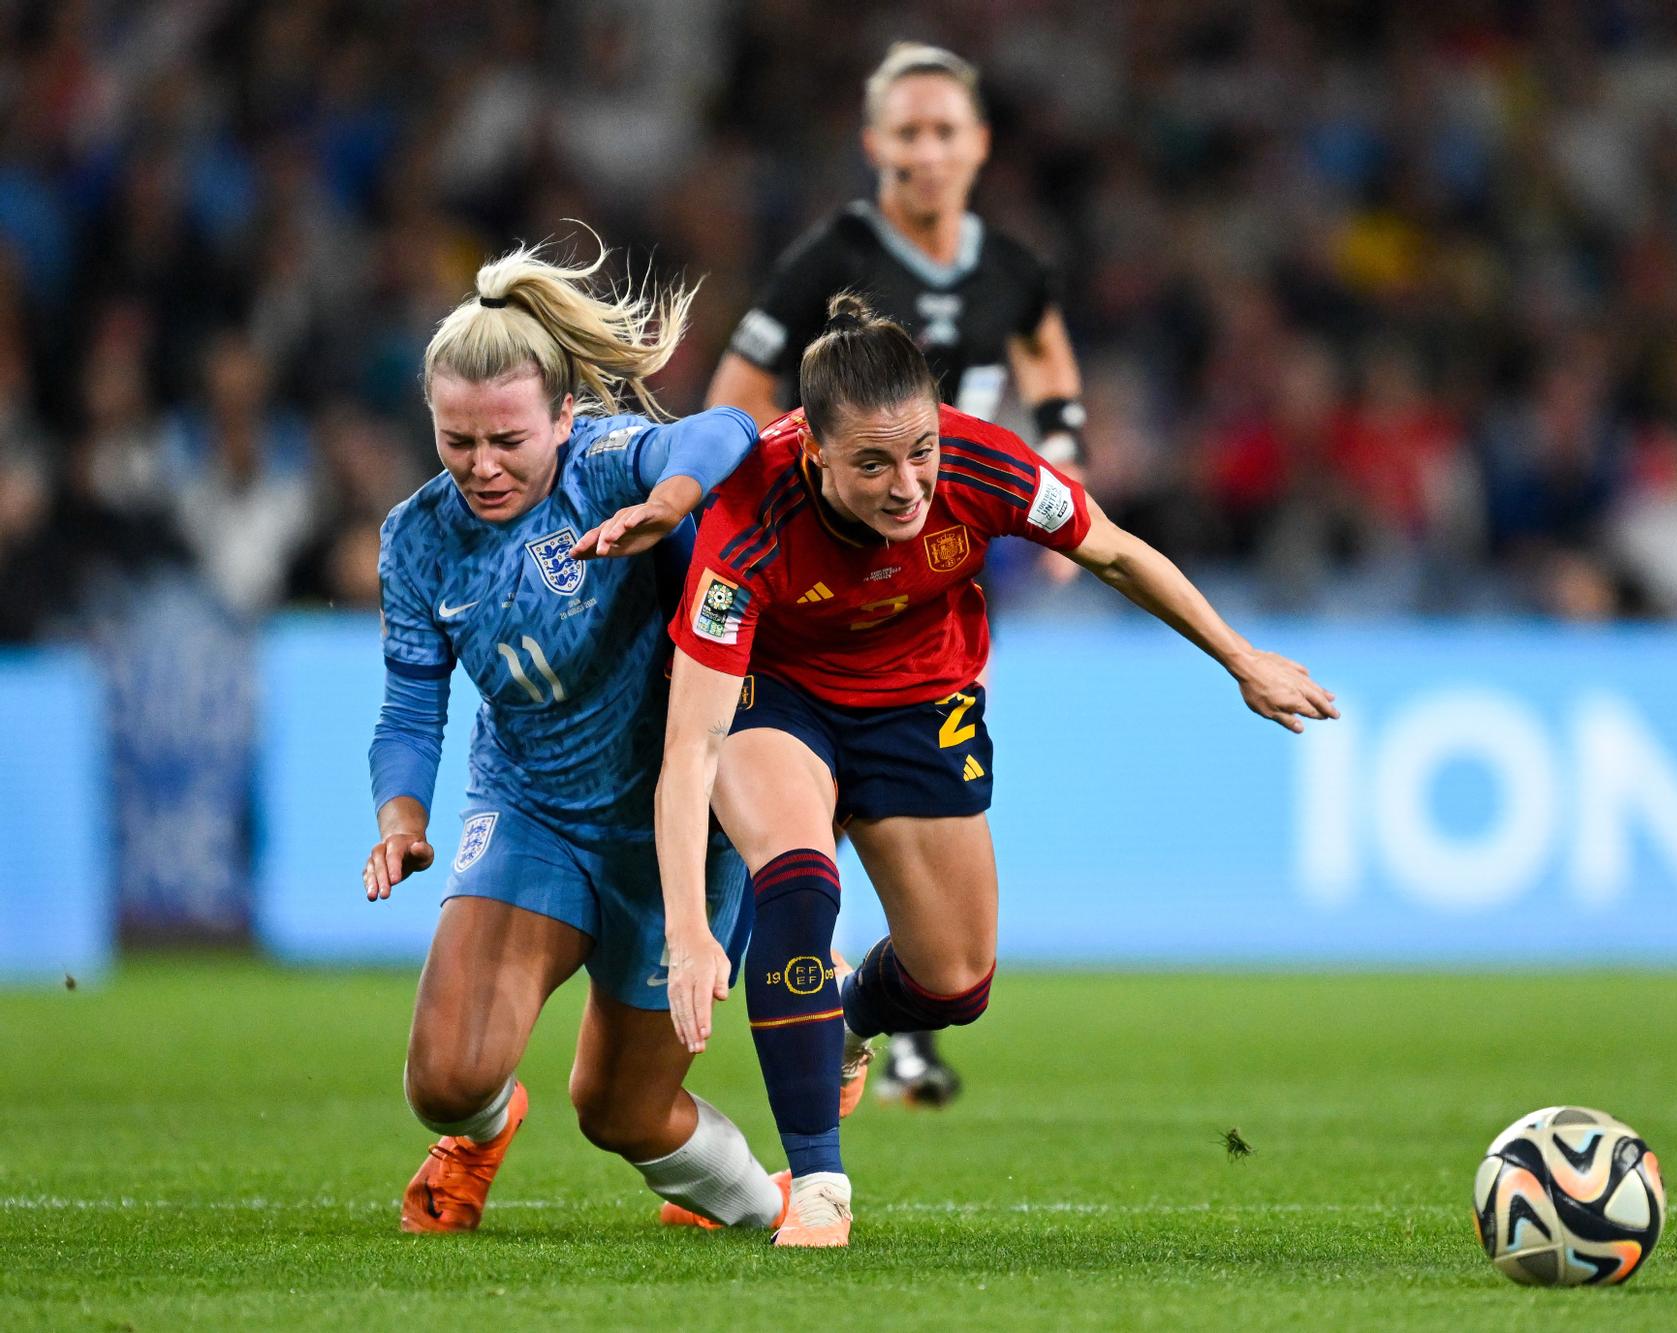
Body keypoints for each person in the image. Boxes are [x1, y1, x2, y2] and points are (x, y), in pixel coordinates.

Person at [651, 295, 1339, 1246]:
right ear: (814, 453)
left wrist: (1241, 657)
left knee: (956, 981)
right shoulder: (749, 515)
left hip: (919, 696)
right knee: (800, 883)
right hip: (778, 692)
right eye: (873, 463)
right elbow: (689, 746)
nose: (908, 485)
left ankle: (845, 1013)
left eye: (921, 449)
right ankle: (818, 1185)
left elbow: (1113, 550)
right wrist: (689, 926)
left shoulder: (981, 462)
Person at [363, 235, 787, 1235]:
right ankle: (479, 1129)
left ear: (563, 414)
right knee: (447, 1076)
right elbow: (410, 707)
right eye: (456, 440)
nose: (482, 465)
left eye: (508, 439)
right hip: (533, 811)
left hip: (677, 826)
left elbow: (726, 428)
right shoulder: (416, 538)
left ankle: (772, 1208)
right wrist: (401, 813)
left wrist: (671, 502)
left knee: (621, 1113)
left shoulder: (605, 466)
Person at [708, 40, 1088, 1104]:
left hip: (937, 577)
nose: (925, 152)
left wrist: (1061, 452)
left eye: (944, 131)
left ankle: (880, 1014)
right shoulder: (829, 257)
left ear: (978, 144)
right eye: (905, 133)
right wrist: (744, 521)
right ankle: (778, 1042)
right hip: (809, 595)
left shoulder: (1009, 267)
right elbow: (733, 395)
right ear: (874, 144)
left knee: (917, 820)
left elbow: (1049, 358)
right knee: (795, 843)